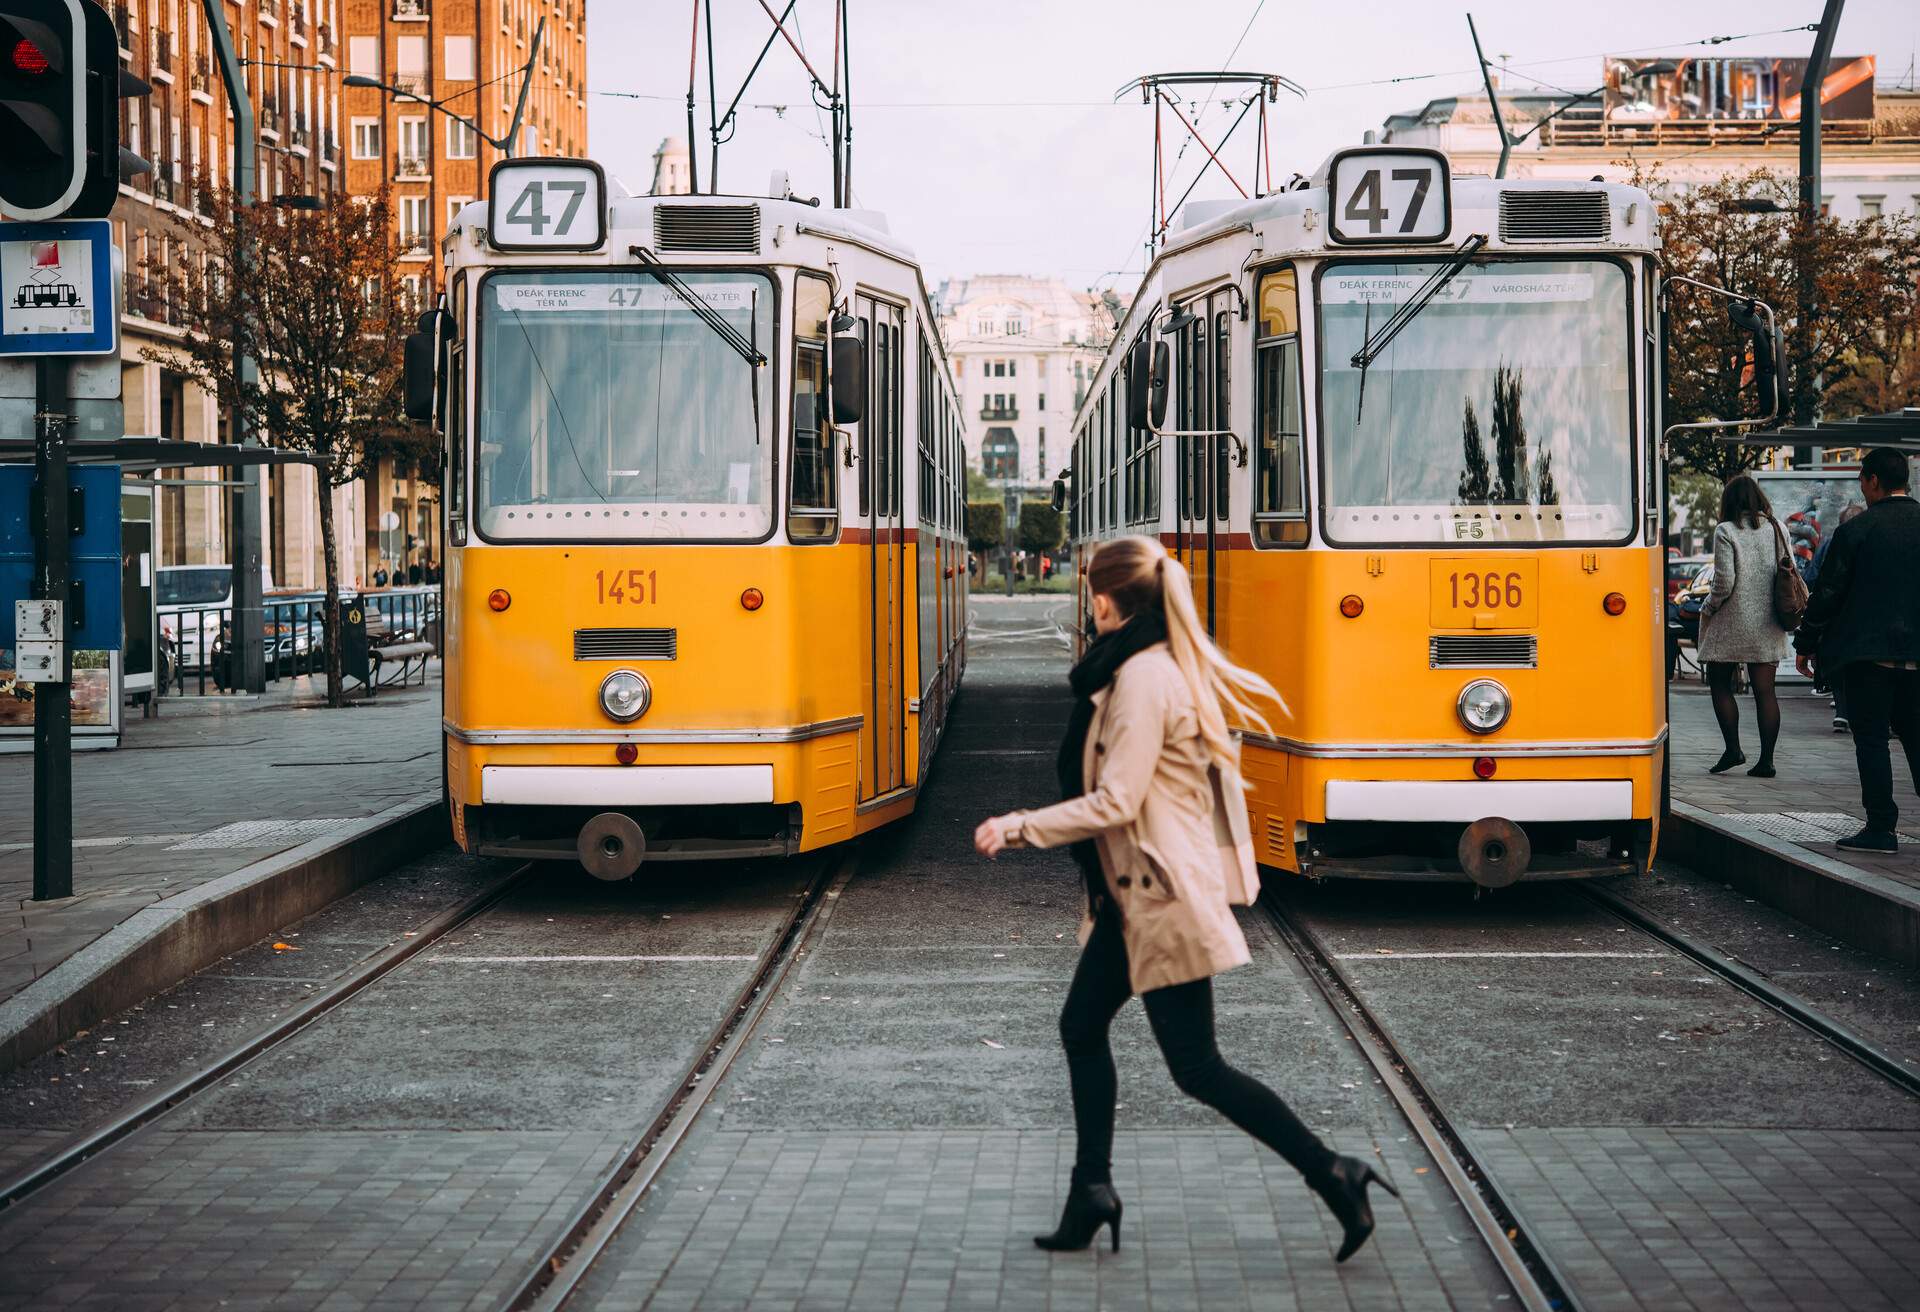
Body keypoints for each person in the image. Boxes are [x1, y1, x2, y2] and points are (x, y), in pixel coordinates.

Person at [973, 535, 1395, 1263]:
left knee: (1197, 1068)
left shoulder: (1143, 677)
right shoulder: (1144, 664)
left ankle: (1333, 1172)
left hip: (1157, 896)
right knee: (1083, 1027)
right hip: (1133, 893)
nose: (1089, 603)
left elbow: (1118, 799)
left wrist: (1018, 827)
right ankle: (1092, 1189)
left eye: (1090, 592)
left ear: (1104, 598)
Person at [1795, 448, 1920, 852]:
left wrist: (1806, 643)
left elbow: (1828, 594)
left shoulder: (1857, 531)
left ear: (1871, 481)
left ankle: (1881, 828)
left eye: (1862, 481)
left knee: (1871, 740)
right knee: (1918, 737)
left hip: (1869, 656)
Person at [1696, 474, 1791, 777]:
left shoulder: (1726, 530)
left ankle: (1733, 749)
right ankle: (1767, 761)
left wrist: (1708, 607)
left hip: (1732, 620)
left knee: (1720, 683)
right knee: (1766, 692)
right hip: (1768, 622)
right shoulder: (1779, 529)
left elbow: (1724, 582)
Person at [1808, 503, 1867, 732]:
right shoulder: (1872, 540)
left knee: (1838, 661)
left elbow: (1814, 577)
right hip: (1864, 616)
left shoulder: (1830, 544)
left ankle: (1842, 713)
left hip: (1836, 615)